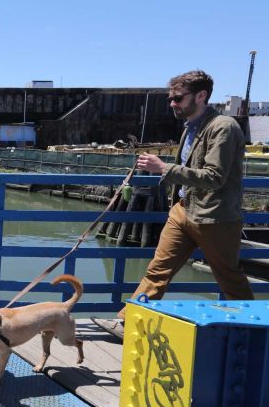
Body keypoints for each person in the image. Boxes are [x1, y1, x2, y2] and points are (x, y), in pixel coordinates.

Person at [93, 70, 254, 339]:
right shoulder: (191, 126)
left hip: (214, 218)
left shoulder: (222, 127)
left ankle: (253, 328)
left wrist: (164, 168)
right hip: (182, 210)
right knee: (157, 271)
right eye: (171, 98)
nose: (172, 104)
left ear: (201, 96)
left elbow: (215, 177)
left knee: (229, 277)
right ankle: (128, 323)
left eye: (178, 98)